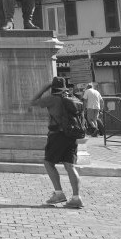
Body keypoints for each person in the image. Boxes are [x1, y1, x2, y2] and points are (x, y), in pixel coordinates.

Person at [30, 77, 83, 209]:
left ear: (53, 88)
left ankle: (59, 193)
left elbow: (32, 102)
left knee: (48, 162)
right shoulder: (73, 99)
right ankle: (76, 198)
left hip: (57, 135)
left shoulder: (52, 99)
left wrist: (44, 88)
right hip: (71, 135)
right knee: (70, 165)